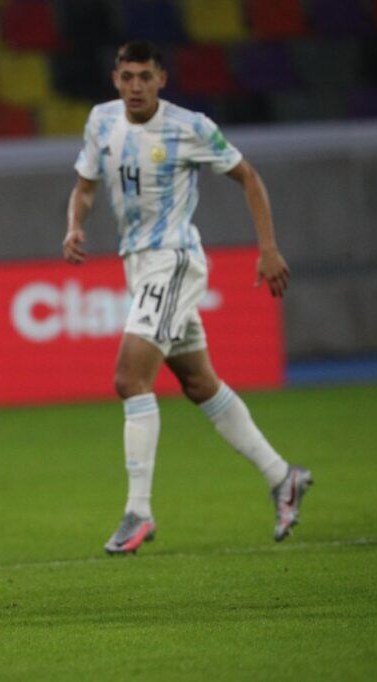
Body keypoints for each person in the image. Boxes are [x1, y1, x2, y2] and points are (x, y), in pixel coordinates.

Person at [63, 41, 312, 555]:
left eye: (144, 77)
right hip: (138, 265)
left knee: (129, 378)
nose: (135, 86)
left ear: (162, 80)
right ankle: (282, 476)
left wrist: (268, 248)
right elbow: (85, 186)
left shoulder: (189, 127)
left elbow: (248, 177)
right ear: (115, 79)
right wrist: (75, 227)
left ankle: (139, 512)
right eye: (127, 76)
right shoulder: (101, 122)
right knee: (199, 383)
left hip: (173, 259)